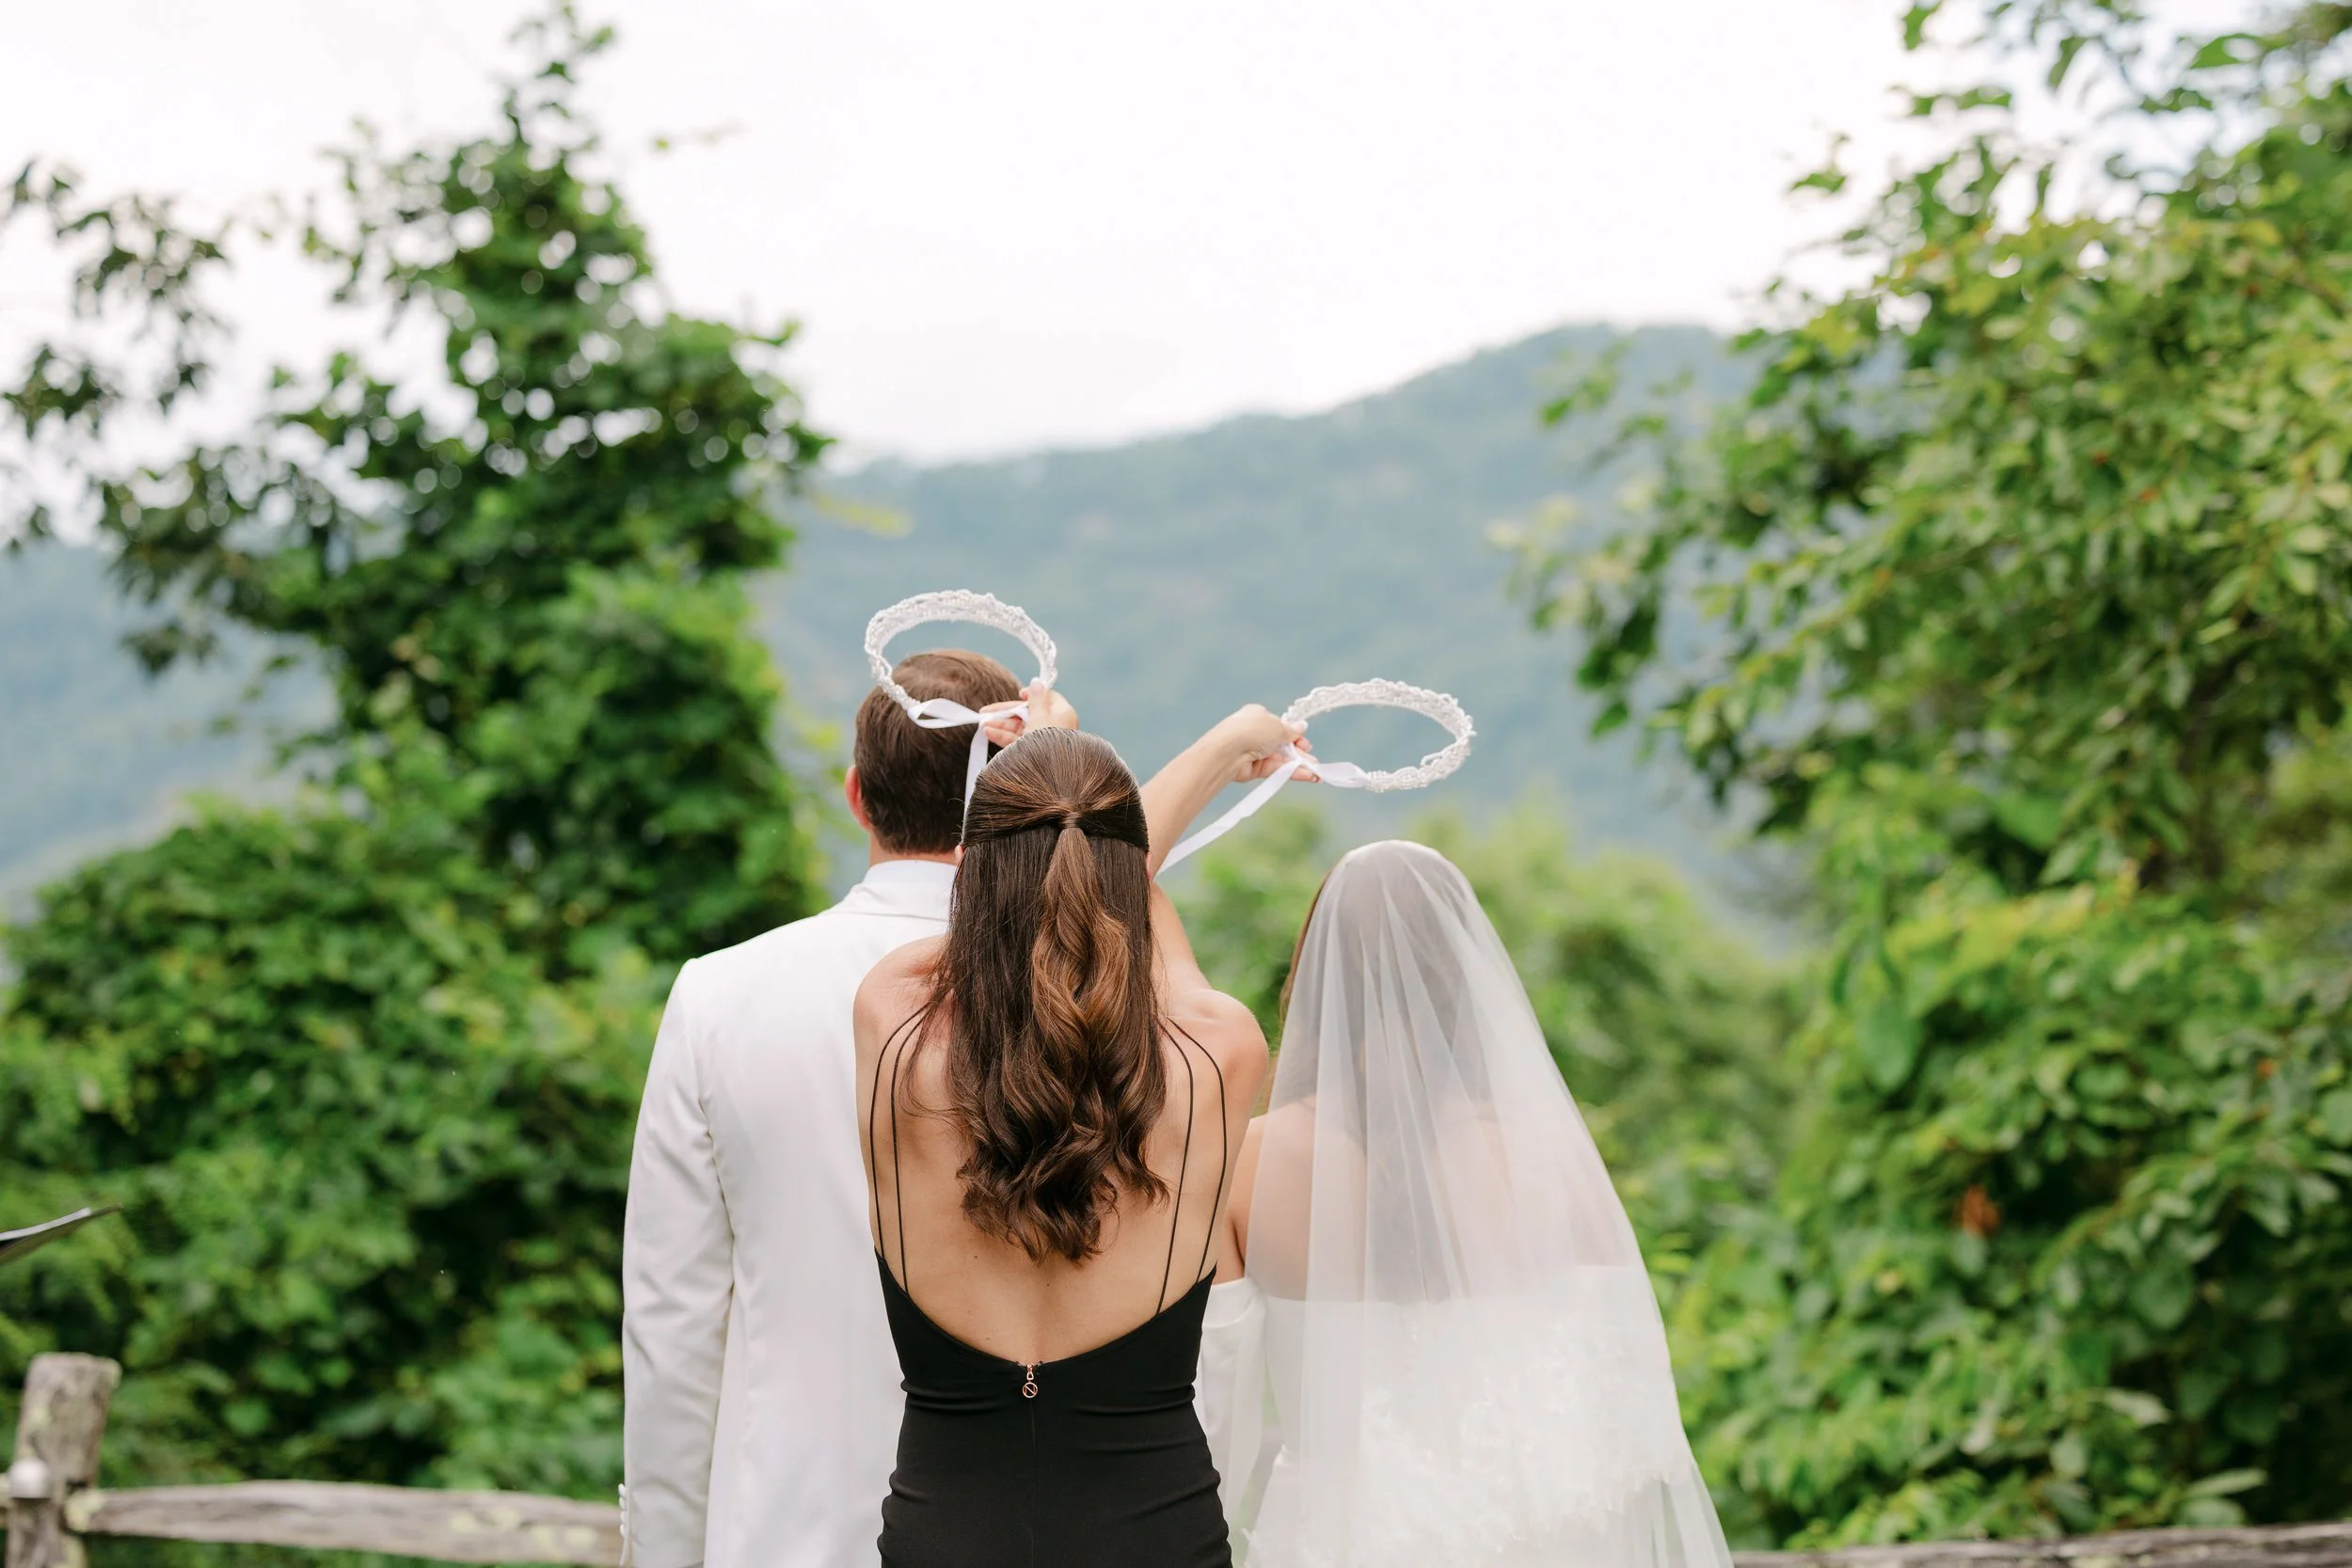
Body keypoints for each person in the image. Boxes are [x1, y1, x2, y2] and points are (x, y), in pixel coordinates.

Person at [621, 649, 1070, 1568]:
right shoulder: (1080, 998)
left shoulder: (719, 994)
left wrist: (664, 1549)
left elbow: (672, 1321)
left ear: (857, 794)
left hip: (782, 1523)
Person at [1196, 840, 1735, 1568]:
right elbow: (1619, 1404)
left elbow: (1213, 1402)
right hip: (1529, 1532)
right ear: (1467, 972)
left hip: (1332, 1540)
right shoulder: (1548, 1157)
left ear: (1314, 972)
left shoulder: (1243, 1164)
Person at [854, 709, 1306, 1568]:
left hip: (942, 1538)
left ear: (973, 870)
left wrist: (1036, 770)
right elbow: (1121, 890)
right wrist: (1220, 749)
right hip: (1157, 1538)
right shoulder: (1219, 1053)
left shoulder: (892, 1016)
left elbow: (1014, 927)